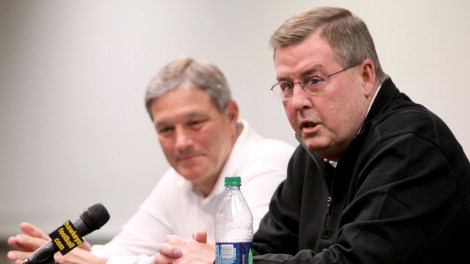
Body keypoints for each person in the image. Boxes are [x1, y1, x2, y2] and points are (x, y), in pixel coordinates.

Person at [153, 6, 470, 264]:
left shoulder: (411, 145)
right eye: (287, 86)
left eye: (314, 80)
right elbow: (263, 249)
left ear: (365, 76)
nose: (298, 101)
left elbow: (352, 262)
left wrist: (224, 263)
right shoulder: (310, 156)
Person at [6, 57, 295, 264]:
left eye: (194, 122)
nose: (181, 142)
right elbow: (121, 250)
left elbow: (236, 259)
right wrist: (68, 253)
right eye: (166, 129)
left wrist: (100, 262)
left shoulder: (270, 161)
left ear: (230, 115)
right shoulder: (179, 179)